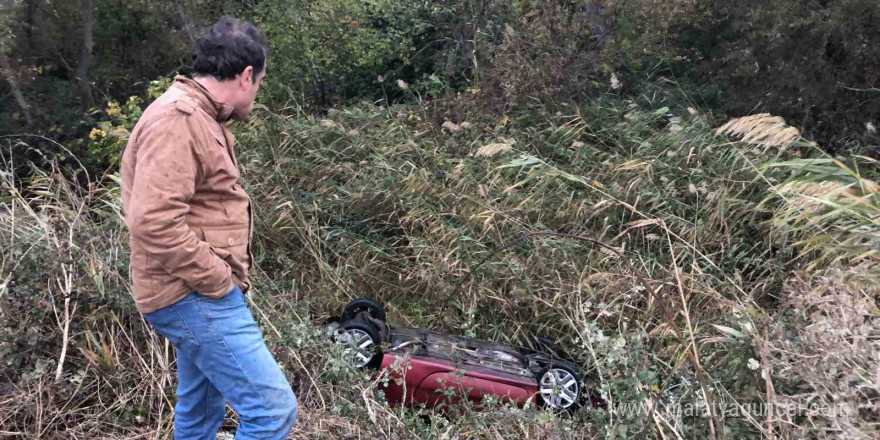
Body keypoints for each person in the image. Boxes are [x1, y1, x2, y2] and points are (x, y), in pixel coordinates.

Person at [120, 16, 297, 440]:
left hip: (191, 290)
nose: (256, 94)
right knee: (272, 412)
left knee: (200, 409)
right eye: (258, 84)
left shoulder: (197, 114)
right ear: (247, 75)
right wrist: (218, 278)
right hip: (192, 293)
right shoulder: (178, 120)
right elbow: (154, 221)